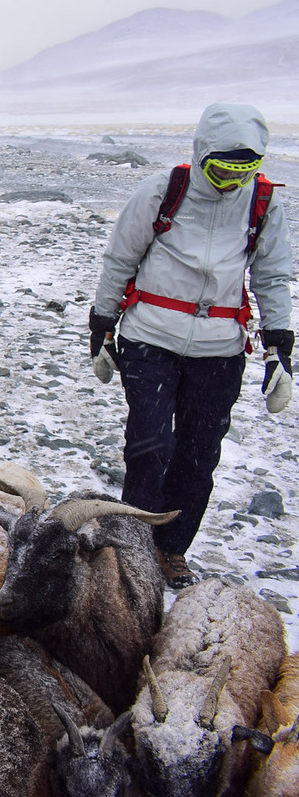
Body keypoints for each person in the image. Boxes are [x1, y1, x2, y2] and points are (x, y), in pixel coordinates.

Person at [89, 103, 293, 589]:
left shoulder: (262, 204)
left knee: (199, 456)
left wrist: (279, 346)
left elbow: (272, 276)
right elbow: (121, 257)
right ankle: (130, 546)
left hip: (220, 349)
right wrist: (102, 322)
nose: (231, 180)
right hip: (150, 338)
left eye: (244, 171)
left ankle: (170, 549)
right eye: (222, 169)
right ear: (202, 155)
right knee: (150, 446)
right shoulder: (162, 192)